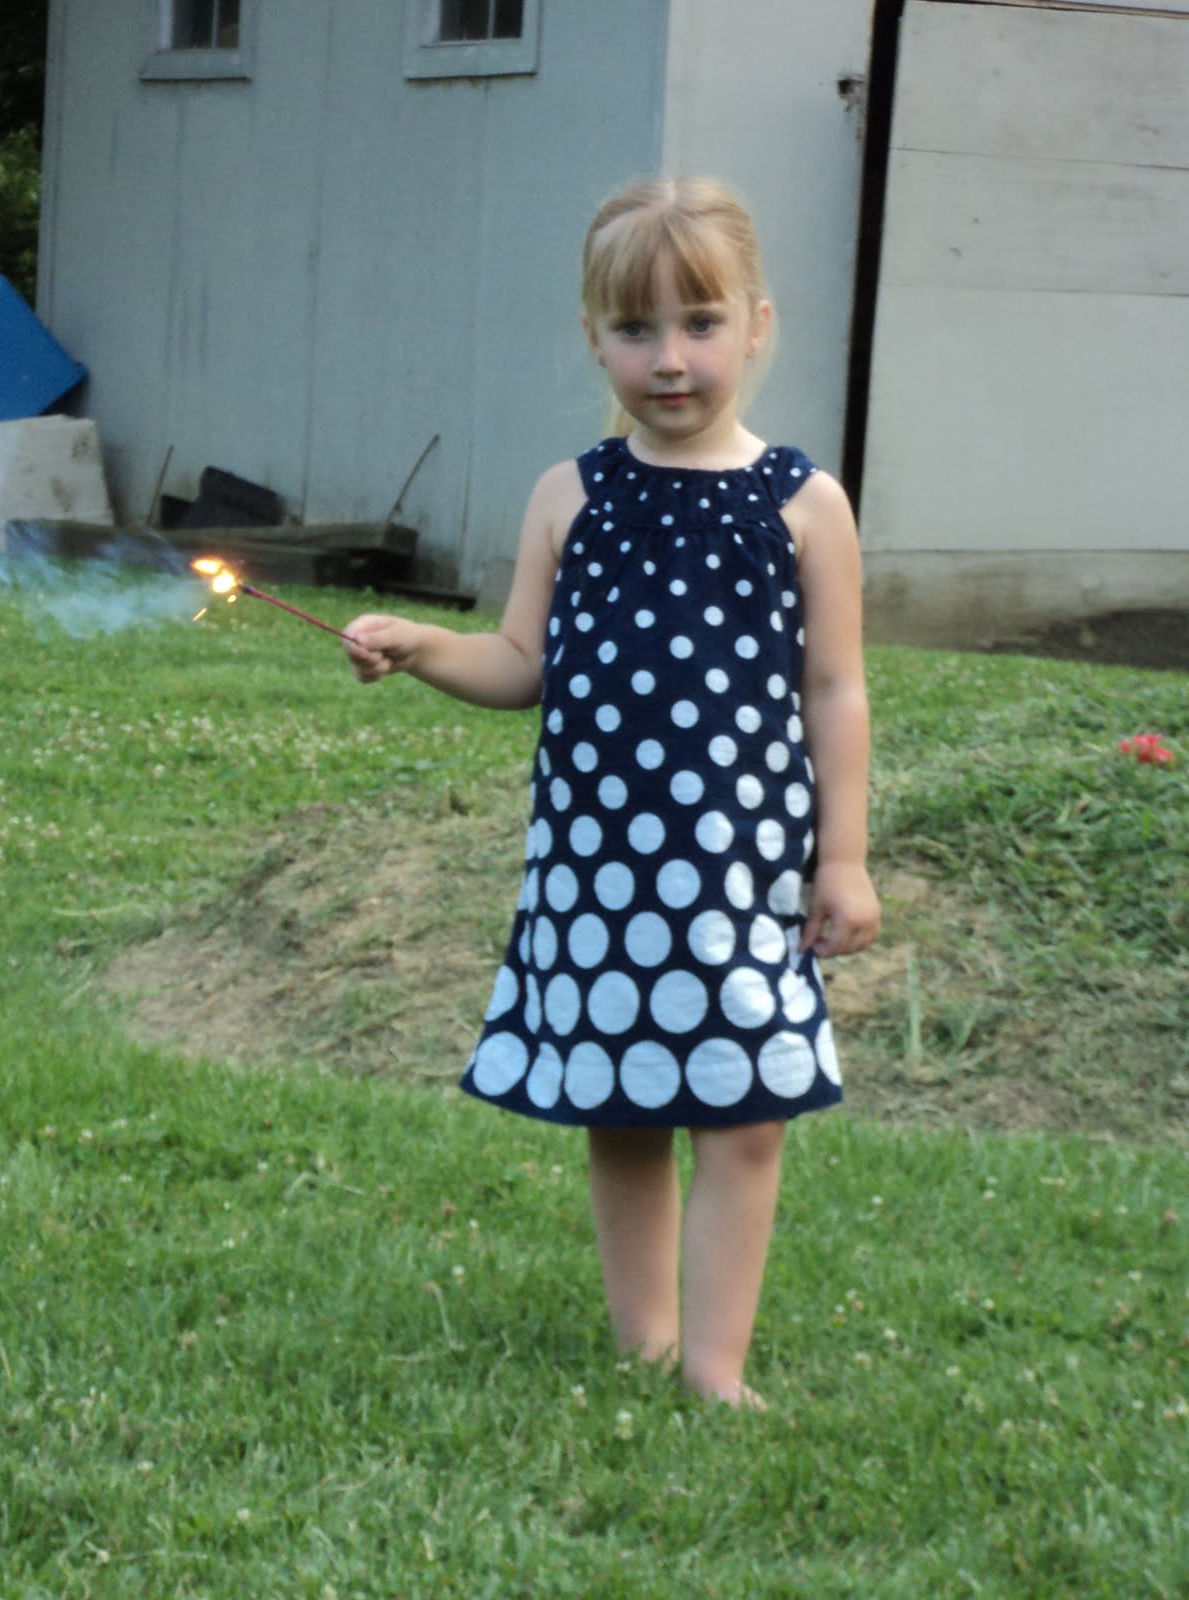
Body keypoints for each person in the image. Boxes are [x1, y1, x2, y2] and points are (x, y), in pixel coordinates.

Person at [344, 176, 880, 1408]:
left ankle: (715, 1370)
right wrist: (423, 648)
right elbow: (520, 664)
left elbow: (836, 687)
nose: (669, 357)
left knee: (746, 1112)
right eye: (636, 329)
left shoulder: (803, 502)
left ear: (757, 324)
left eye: (700, 322)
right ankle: (644, 1344)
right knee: (625, 1104)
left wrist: (843, 858)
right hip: (602, 871)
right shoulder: (569, 494)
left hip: (743, 872)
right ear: (594, 338)